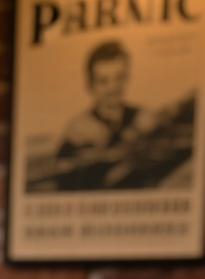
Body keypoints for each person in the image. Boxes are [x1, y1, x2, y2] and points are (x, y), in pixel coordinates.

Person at [50, 40, 159, 190]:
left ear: (127, 76)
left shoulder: (143, 118)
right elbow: (61, 172)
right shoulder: (78, 130)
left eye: (119, 77)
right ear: (90, 84)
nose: (113, 87)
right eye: (103, 81)